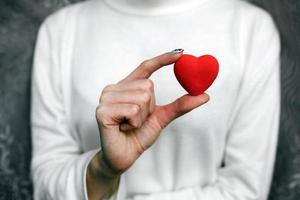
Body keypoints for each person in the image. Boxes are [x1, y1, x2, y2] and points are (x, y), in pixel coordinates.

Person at [30, 0, 281, 199]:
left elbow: (245, 190)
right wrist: (104, 170)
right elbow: (45, 186)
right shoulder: (61, 30)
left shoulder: (251, 28)